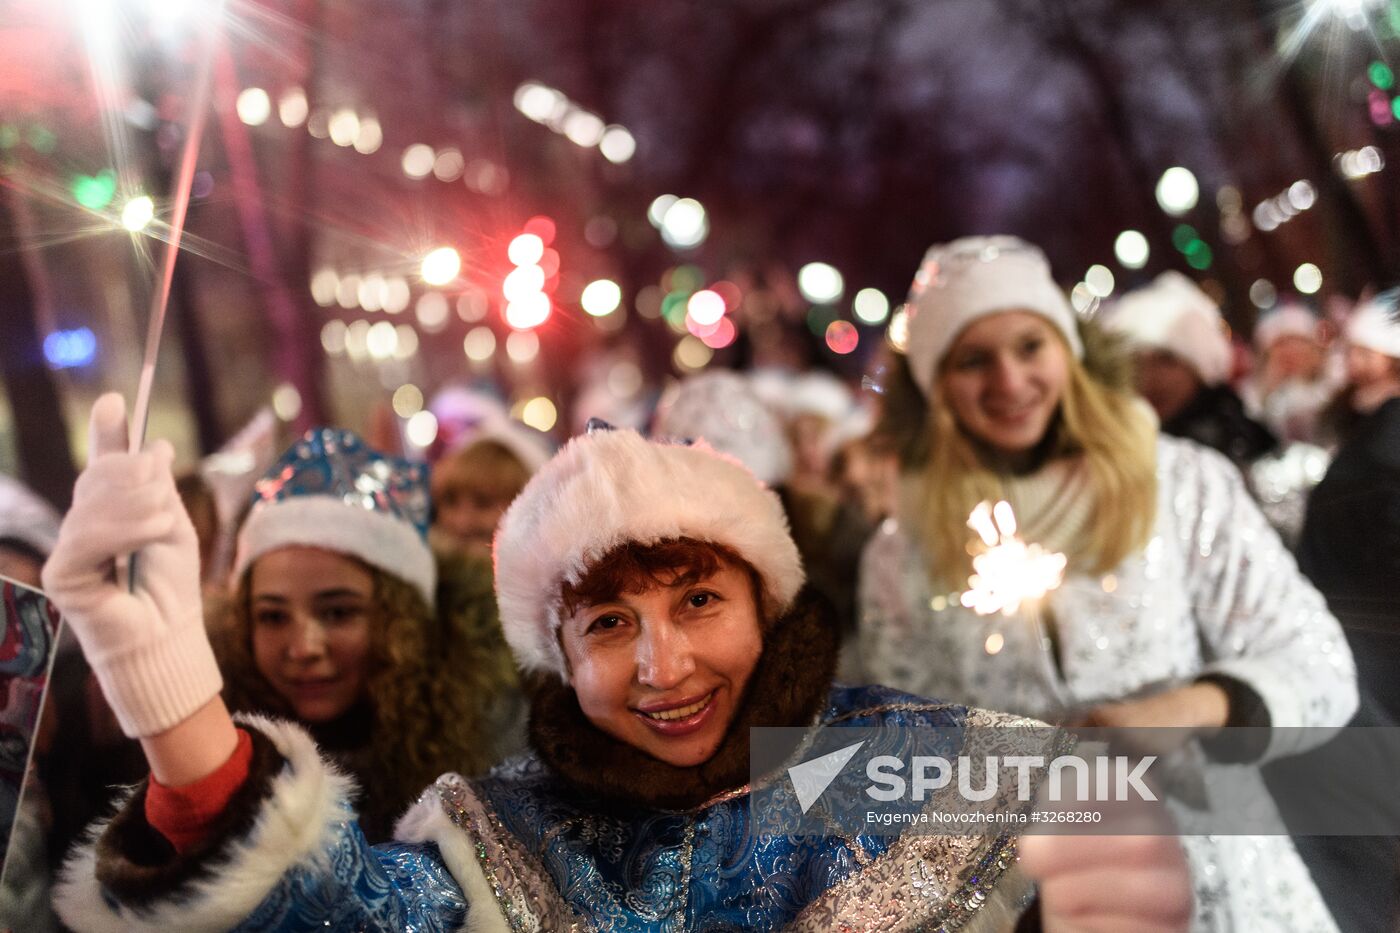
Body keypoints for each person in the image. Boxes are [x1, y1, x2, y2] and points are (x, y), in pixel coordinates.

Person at [41, 394, 1190, 931]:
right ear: (556, 656)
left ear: (766, 601)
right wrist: (174, 697)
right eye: (605, 624)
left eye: (698, 600)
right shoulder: (500, 839)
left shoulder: (941, 765)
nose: (662, 664)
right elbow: (331, 910)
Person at [858, 236, 1357, 931]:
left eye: (1030, 346)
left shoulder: (1178, 484)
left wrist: (1193, 707)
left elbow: (1319, 663)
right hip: (1053, 896)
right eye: (973, 359)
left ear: (1068, 348)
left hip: (1229, 880)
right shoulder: (901, 554)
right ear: (934, 383)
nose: (1009, 380)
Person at [209, 427, 520, 840]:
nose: (304, 648)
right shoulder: (220, 740)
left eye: (338, 612)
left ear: (401, 616)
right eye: (272, 617)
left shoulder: (495, 736)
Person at [1298, 290, 1400, 724]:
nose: (1354, 363)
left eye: (1367, 352)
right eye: (1352, 350)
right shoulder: (1357, 422)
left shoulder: (1384, 436)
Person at [1104, 271, 1276, 468]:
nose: (1148, 378)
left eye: (1166, 360)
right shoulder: (1112, 451)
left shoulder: (1245, 443)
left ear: (1199, 368)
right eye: (1135, 363)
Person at [1240, 302, 1338, 445]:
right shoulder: (1251, 394)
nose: (1291, 351)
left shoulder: (1330, 388)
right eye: (1282, 343)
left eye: (1298, 342)